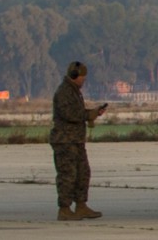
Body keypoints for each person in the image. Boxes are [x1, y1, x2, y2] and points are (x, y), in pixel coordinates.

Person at [50, 61, 108, 220]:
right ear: (75, 76)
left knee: (83, 173)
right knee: (67, 175)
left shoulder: (74, 91)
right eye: (82, 77)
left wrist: (93, 113)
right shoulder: (64, 92)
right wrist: (88, 115)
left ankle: (81, 206)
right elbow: (69, 114)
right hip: (65, 141)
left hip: (76, 141)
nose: (84, 81)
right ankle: (64, 209)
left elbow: (77, 112)